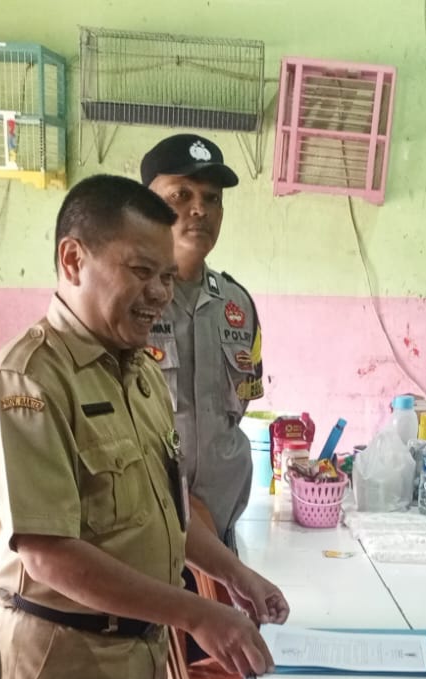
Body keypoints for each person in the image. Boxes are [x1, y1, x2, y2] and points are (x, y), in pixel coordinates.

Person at [0, 174, 290, 679]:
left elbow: (167, 510)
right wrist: (196, 614)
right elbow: (51, 554)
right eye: (141, 271)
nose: (159, 293)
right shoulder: (27, 381)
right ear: (73, 260)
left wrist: (235, 575)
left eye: (167, 277)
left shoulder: (140, 373)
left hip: (142, 664)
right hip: (63, 672)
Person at [141, 134, 264, 551]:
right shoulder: (128, 299)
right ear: (146, 206)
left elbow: (241, 404)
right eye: (181, 195)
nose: (200, 209)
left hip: (220, 525)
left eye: (212, 199)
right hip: (144, 533)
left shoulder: (237, 304)